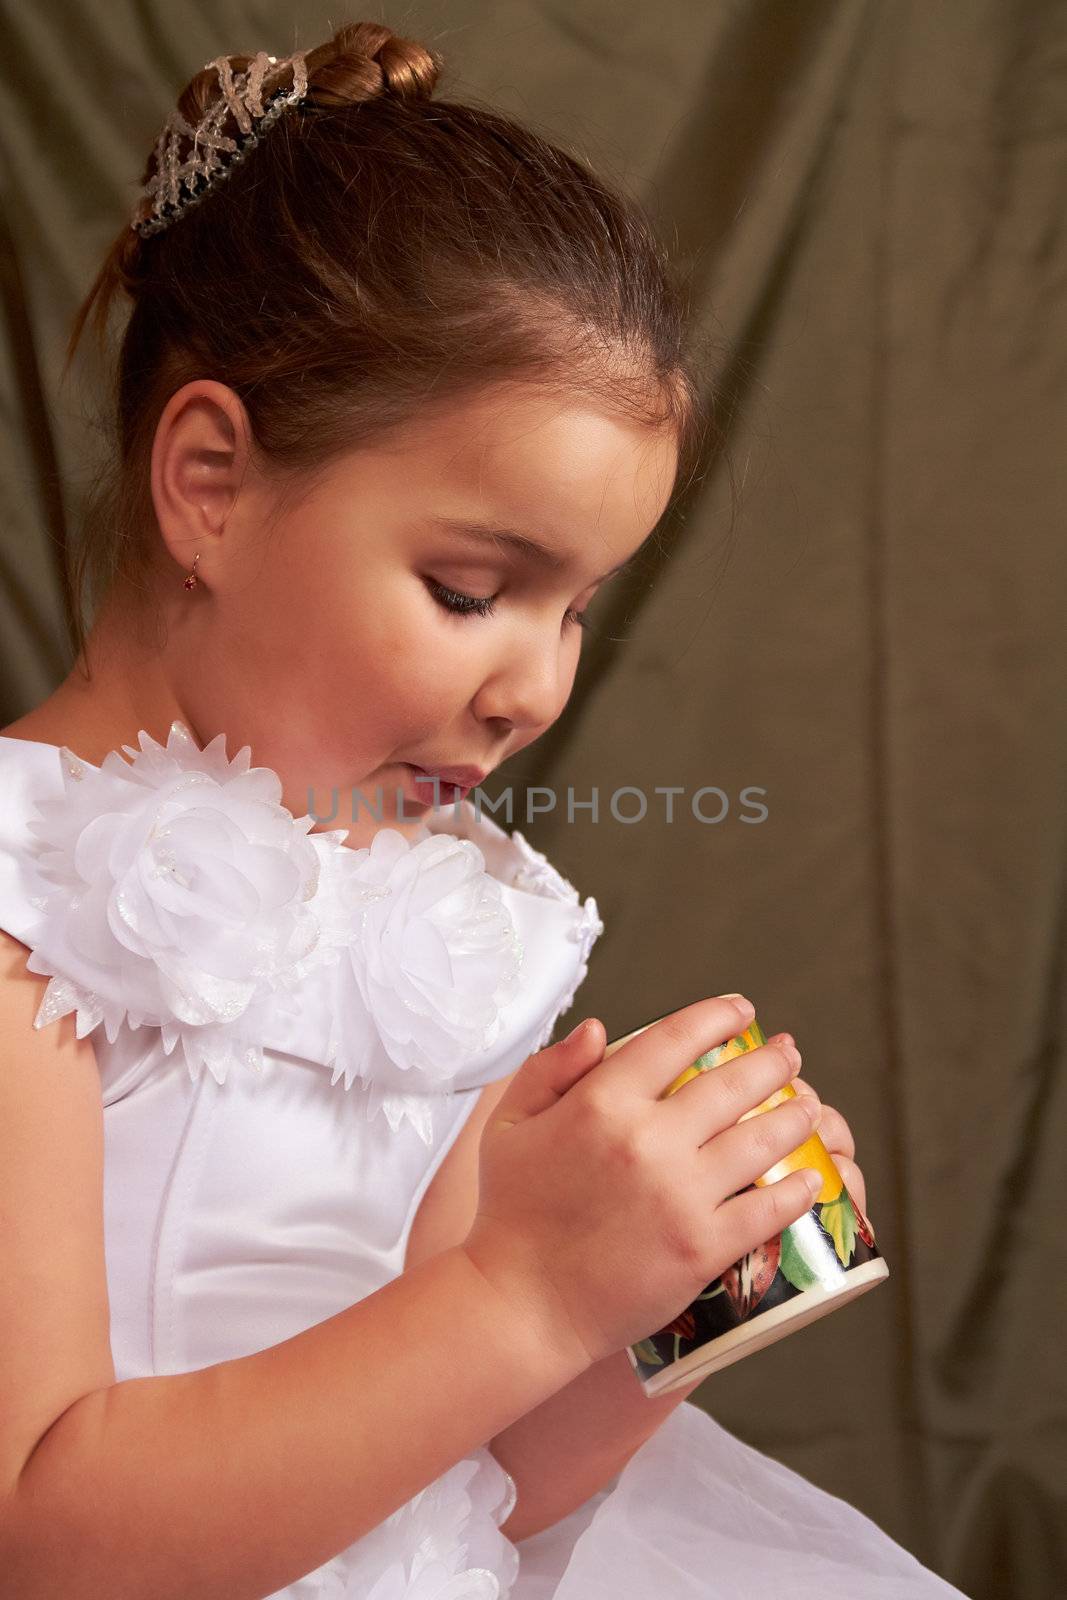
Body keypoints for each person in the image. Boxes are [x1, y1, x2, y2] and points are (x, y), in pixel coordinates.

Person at [0, 21, 968, 1599]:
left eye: (579, 610)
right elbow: (34, 1535)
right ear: (209, 484)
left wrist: (645, 1307)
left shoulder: (447, 926)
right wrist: (523, 1289)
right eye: (471, 590)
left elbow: (477, 1496)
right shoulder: (16, 910)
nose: (535, 686)